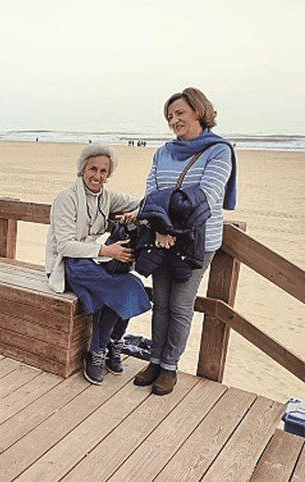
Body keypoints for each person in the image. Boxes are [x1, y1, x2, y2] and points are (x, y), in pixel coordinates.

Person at [133, 87, 236, 395]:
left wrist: (166, 220)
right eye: (169, 116)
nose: (174, 120)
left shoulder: (219, 151)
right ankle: (154, 360)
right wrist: (160, 228)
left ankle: (170, 367)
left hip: (197, 242)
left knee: (180, 306)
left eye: (179, 113)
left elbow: (206, 196)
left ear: (199, 111)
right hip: (161, 238)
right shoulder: (162, 152)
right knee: (161, 304)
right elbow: (151, 193)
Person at [45, 144, 150, 385]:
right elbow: (65, 246)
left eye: (103, 171)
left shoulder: (107, 197)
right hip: (67, 264)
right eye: (93, 169)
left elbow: (141, 203)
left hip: (92, 260)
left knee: (131, 282)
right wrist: (106, 250)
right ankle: (97, 350)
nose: (98, 176)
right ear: (82, 169)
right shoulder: (67, 198)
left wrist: (135, 214)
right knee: (118, 288)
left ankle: (113, 342)